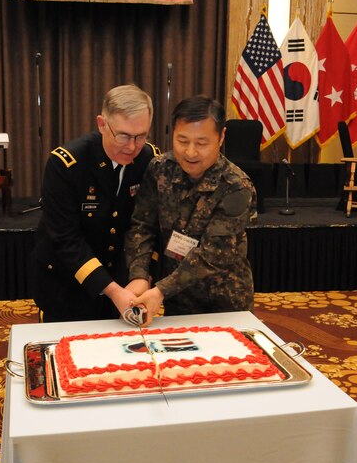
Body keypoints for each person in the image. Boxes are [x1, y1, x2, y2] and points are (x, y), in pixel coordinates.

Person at [31, 85, 160, 322]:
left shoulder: (149, 159)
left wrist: (141, 277)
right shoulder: (66, 164)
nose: (132, 147)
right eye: (123, 135)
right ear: (102, 124)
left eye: (141, 136)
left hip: (124, 283)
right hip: (67, 284)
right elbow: (66, 239)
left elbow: (148, 225)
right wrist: (111, 290)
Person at [124, 95, 257, 325]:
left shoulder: (236, 186)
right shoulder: (160, 170)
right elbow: (142, 226)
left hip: (225, 301)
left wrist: (161, 290)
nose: (191, 152)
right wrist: (139, 275)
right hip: (178, 300)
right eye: (182, 141)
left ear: (221, 136)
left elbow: (212, 255)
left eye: (202, 143)